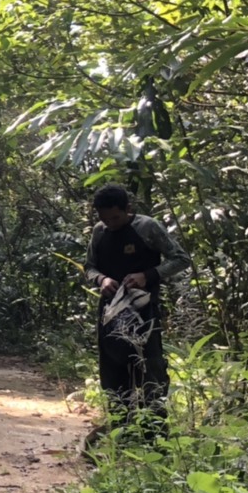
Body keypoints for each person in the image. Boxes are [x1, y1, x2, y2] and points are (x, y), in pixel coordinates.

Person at [84, 184, 190, 437]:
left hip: (145, 311)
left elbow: (181, 259)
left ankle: (155, 433)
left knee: (151, 370)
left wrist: (148, 275)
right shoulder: (99, 232)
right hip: (110, 313)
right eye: (105, 219)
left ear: (128, 209)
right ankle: (120, 431)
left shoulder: (147, 227)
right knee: (112, 372)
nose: (110, 223)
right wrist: (101, 280)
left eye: (115, 218)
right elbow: (89, 267)